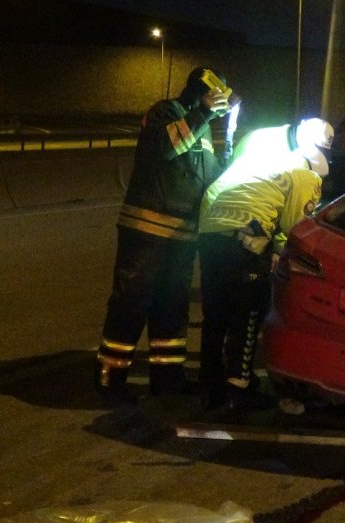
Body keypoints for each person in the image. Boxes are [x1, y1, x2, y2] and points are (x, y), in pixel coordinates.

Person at [95, 66, 230, 401]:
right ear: (202, 91)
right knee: (131, 302)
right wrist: (203, 113)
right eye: (216, 96)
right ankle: (110, 378)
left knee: (171, 309)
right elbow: (167, 147)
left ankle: (168, 381)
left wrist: (226, 152)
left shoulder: (202, 128)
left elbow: (209, 179)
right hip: (146, 232)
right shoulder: (165, 112)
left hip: (181, 238)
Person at [196, 118, 332, 410]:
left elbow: (222, 191)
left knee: (216, 309)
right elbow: (296, 228)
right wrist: (277, 252)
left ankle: (209, 377)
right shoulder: (307, 176)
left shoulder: (264, 160)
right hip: (245, 235)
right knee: (249, 308)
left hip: (209, 228)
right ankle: (238, 386)